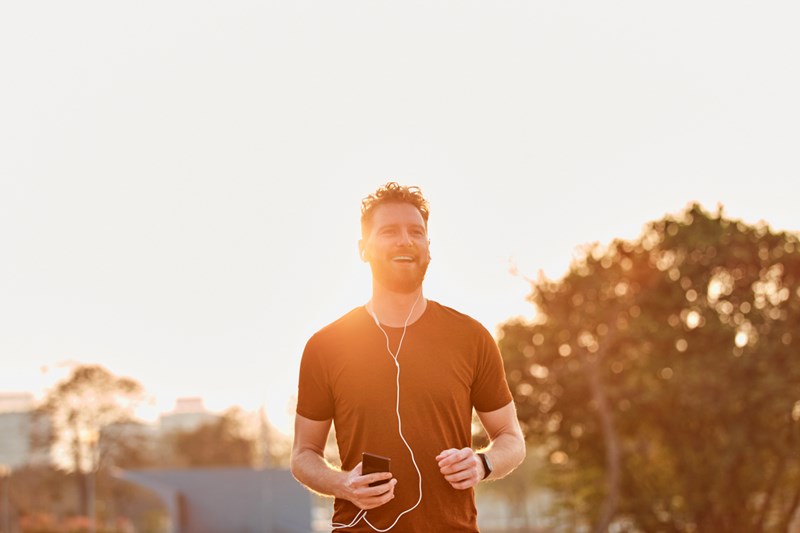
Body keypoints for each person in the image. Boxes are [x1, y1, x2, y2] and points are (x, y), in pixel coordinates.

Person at [291, 182, 526, 532]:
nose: (405, 240)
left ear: (428, 247)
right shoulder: (326, 345)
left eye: (416, 232)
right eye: (389, 231)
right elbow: (303, 455)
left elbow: (511, 438)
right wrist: (342, 484)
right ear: (363, 249)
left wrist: (482, 463)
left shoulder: (471, 338)